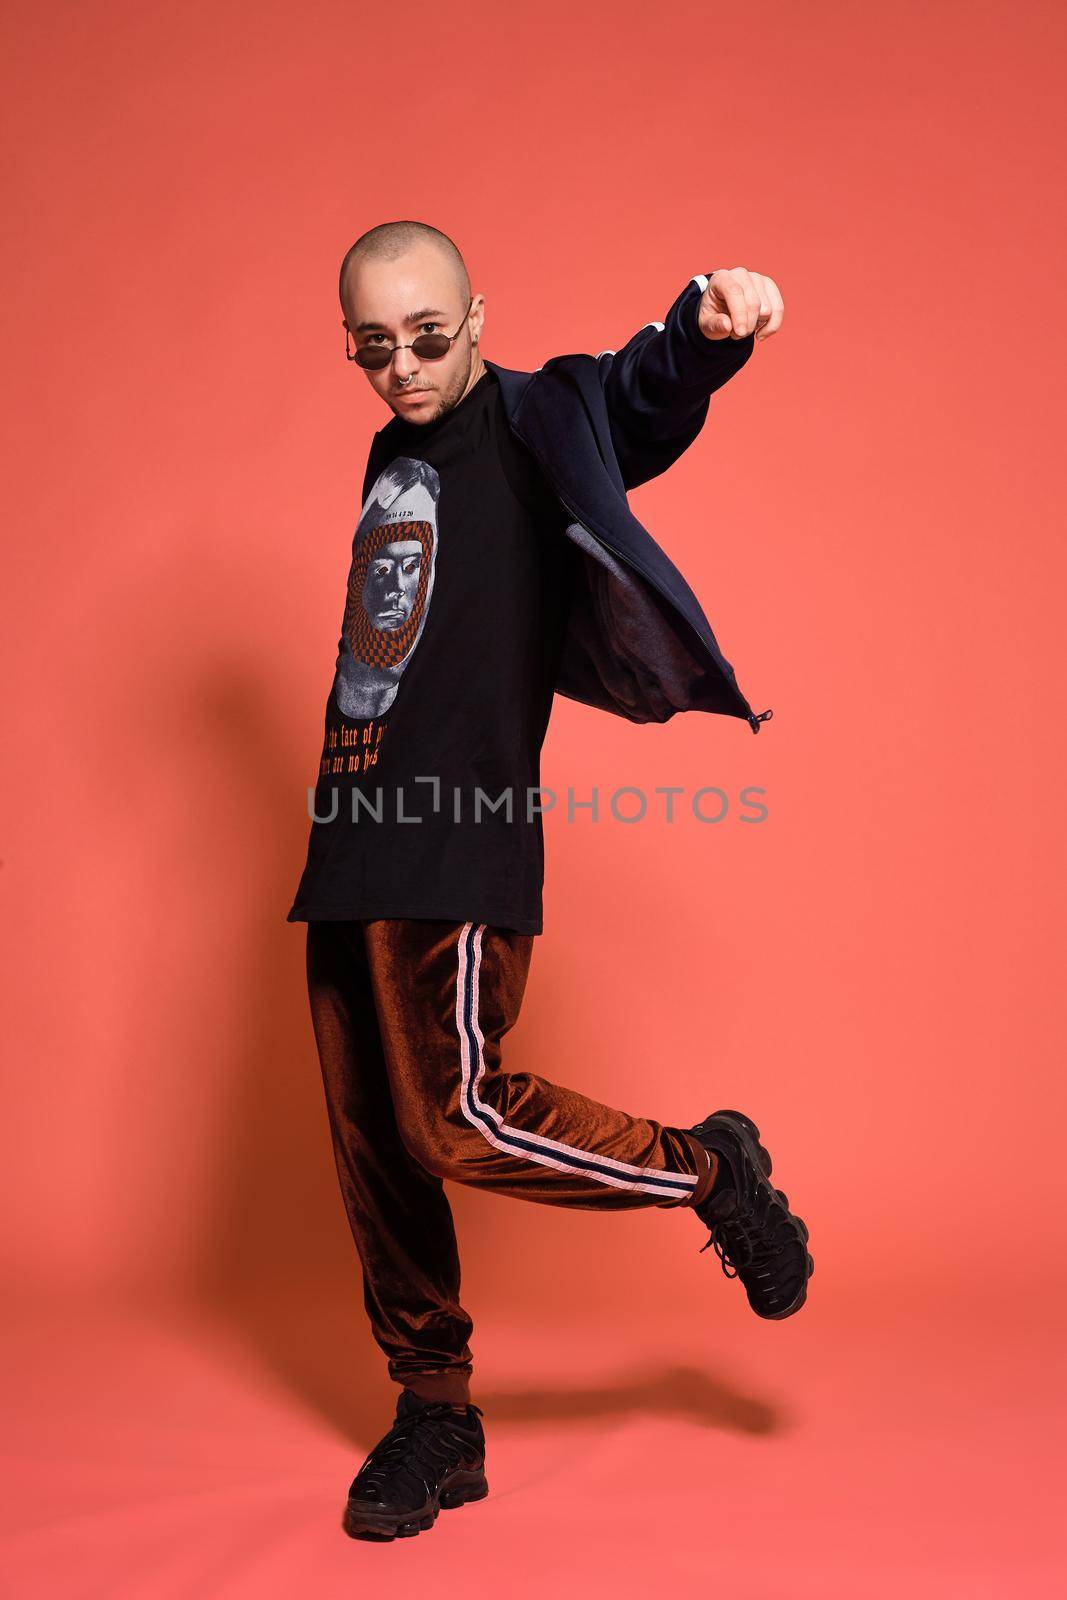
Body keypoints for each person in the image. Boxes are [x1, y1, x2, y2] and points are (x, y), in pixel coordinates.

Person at [286, 220, 814, 1542]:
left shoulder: (532, 418)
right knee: (376, 1150)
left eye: (425, 334)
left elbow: (632, 404)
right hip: (351, 834)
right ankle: (436, 1416)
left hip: (456, 838)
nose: (401, 367)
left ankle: (712, 1171)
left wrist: (701, 333)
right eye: (372, 346)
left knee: (457, 1113)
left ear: (475, 317)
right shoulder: (390, 452)